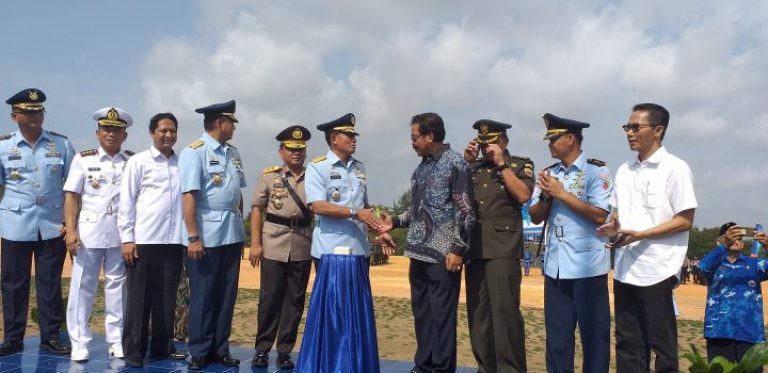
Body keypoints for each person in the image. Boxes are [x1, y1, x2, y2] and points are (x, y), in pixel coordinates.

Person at [598, 103, 697, 372]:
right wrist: (614, 229)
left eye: (635, 127)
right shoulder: (624, 170)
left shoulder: (675, 168)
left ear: (658, 130)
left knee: (662, 345)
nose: (629, 133)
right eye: (626, 127)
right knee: (628, 343)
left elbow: (685, 220)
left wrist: (641, 234)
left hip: (658, 268)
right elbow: (618, 215)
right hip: (625, 268)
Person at [296, 113, 394, 373]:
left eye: (354, 136)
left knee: (357, 312)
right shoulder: (318, 167)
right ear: (333, 139)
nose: (353, 140)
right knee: (334, 314)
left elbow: (364, 205)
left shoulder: (359, 168)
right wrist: (354, 213)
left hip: (359, 249)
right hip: (331, 250)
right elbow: (317, 205)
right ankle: (330, 364)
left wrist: (379, 229)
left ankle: (356, 364)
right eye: (348, 136)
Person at [383, 113, 475, 373]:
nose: (411, 143)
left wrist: (458, 249)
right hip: (416, 253)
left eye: (414, 138)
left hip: (443, 256)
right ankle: (423, 365)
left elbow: (466, 212)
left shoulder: (456, 163)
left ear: (429, 136)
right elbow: (417, 210)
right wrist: (395, 221)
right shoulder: (420, 168)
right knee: (422, 314)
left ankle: (441, 369)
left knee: (442, 317)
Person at [529, 113, 611, 372]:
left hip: (588, 268)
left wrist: (562, 194)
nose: (549, 144)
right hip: (556, 267)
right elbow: (534, 216)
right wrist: (546, 197)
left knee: (594, 338)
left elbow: (600, 215)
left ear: (571, 139)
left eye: (554, 139)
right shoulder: (547, 174)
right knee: (558, 339)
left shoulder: (596, 171)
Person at [0, 89, 75, 356]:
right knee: (13, 284)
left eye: (38, 111)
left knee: (50, 283)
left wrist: (71, 223)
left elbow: (74, 189)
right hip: (14, 224)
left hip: (53, 226)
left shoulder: (61, 144)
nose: (35, 116)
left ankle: (51, 336)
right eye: (28, 111)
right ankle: (12, 338)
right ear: (14, 116)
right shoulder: (3, 146)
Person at [179, 100, 246, 371]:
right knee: (204, 295)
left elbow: (237, 192)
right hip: (206, 236)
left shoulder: (233, 153)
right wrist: (193, 237)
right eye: (231, 123)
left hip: (232, 232)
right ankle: (199, 350)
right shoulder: (194, 152)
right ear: (219, 123)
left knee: (226, 295)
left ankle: (220, 348)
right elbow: (189, 197)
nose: (233, 128)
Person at [64, 107, 133, 362]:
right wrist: (71, 230)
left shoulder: (131, 160)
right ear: (97, 133)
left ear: (124, 135)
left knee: (118, 287)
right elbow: (71, 195)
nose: (111, 134)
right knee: (83, 286)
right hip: (90, 232)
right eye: (107, 129)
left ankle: (116, 340)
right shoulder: (84, 159)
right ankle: (79, 341)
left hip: (120, 232)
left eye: (117, 130)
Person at [118, 112, 187, 367]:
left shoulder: (182, 164)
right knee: (139, 300)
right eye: (163, 130)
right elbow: (126, 201)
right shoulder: (139, 162)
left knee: (166, 298)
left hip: (172, 242)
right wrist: (127, 238)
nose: (168, 135)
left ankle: (162, 346)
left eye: (172, 130)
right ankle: (134, 350)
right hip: (143, 241)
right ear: (152, 133)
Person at [463, 119, 532, 372]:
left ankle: (510, 369)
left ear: (504, 141)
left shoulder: (519, 165)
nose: (485, 149)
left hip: (503, 247)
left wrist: (502, 164)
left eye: (491, 143)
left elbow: (524, 195)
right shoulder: (472, 168)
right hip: (474, 247)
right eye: (482, 144)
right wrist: (466, 163)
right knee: (479, 316)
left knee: (505, 314)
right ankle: (486, 367)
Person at [249, 125, 313, 369]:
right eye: (291, 149)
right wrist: (255, 244)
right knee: (269, 299)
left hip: (302, 243)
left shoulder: (313, 175)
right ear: (281, 151)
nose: (296, 153)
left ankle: (285, 350)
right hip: (273, 242)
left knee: (294, 301)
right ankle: (262, 349)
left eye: (301, 149)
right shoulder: (269, 176)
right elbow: (257, 210)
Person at [700, 222, 768, 371]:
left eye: (739, 237)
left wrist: (767, 245)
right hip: (719, 332)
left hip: (750, 333)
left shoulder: (754, 264)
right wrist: (724, 245)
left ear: (743, 244)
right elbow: (703, 267)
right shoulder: (713, 264)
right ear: (719, 241)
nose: (735, 240)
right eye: (730, 236)